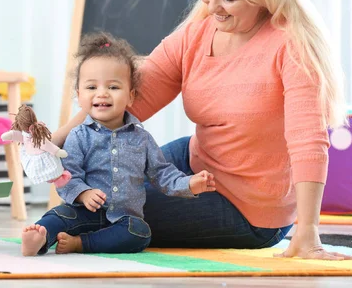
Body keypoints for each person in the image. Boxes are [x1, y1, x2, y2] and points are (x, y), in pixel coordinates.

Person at [52, 0, 352, 260]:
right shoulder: (197, 34)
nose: (213, 6)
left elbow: (308, 142)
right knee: (95, 183)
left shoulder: (292, 48)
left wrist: (309, 232)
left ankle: (51, 233)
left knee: (112, 217)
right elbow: (128, 97)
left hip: (249, 209)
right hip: (193, 161)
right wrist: (57, 142)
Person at [21, 32, 216, 256]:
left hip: (123, 220)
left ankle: (81, 244)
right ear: (79, 95)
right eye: (92, 87)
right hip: (83, 211)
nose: (102, 93)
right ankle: (41, 237)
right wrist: (84, 194)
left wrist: (189, 184)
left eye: (113, 87)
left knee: (140, 233)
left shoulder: (141, 138)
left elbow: (162, 173)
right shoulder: (79, 136)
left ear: (130, 96)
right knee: (60, 215)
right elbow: (67, 176)